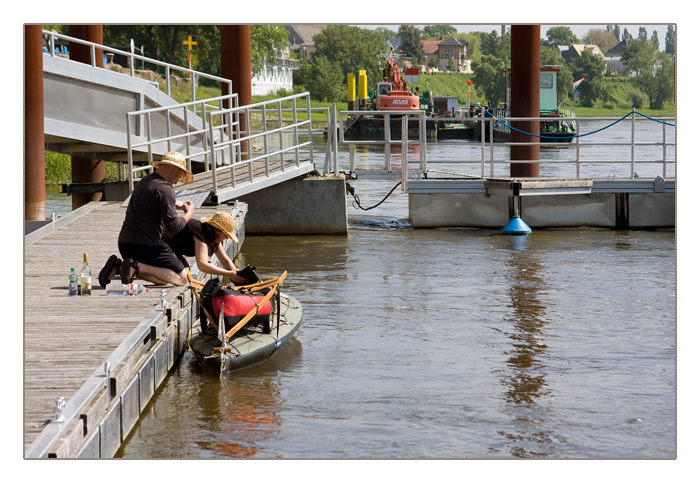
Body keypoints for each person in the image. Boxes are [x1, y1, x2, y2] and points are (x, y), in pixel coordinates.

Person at [99, 151, 195, 287]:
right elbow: (173, 227)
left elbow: (152, 201)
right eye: (180, 175)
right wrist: (188, 213)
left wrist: (174, 203)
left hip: (125, 244)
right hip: (145, 246)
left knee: (162, 278)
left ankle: (120, 267)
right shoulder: (165, 189)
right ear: (175, 169)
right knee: (183, 278)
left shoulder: (146, 181)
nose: (177, 180)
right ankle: (136, 265)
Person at [163, 211, 246, 284]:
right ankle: (149, 270)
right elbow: (202, 265)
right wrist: (228, 273)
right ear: (217, 229)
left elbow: (225, 261)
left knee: (186, 272)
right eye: (226, 234)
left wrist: (237, 275)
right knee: (184, 276)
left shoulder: (214, 237)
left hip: (173, 248)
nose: (227, 238)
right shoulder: (201, 232)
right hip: (160, 241)